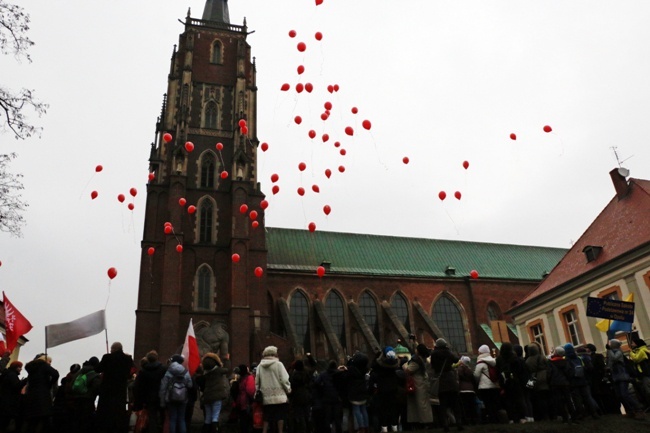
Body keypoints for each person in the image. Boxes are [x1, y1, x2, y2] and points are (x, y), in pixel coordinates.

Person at [95, 342, 136, 433]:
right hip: (120, 389)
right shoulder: (128, 359)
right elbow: (131, 373)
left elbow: (98, 369)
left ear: (114, 349)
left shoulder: (107, 357)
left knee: (106, 411)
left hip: (107, 389)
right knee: (119, 411)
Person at [256, 346, 291, 433]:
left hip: (266, 396)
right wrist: (288, 389)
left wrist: (257, 392)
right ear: (274, 354)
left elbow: (257, 381)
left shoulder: (260, 366)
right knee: (280, 416)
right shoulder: (279, 364)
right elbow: (284, 379)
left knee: (266, 417)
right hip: (279, 396)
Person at [607, 339, 645, 419]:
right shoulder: (611, 352)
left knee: (625, 394)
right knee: (619, 396)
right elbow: (610, 364)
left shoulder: (619, 352)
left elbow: (614, 358)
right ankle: (630, 410)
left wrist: (609, 351)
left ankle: (638, 408)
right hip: (616, 377)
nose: (609, 345)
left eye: (611, 344)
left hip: (622, 376)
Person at [429, 339, 462, 432]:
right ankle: (459, 423)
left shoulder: (434, 354)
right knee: (455, 404)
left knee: (442, 404)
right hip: (450, 379)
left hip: (441, 380)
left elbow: (432, 366)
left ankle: (445, 425)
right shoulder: (448, 353)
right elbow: (456, 359)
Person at [22, 354, 60, 433]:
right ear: (45, 360)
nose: (50, 363)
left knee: (32, 422)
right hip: (43, 396)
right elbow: (55, 374)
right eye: (49, 361)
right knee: (46, 421)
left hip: (31, 397)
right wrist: (49, 384)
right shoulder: (43, 365)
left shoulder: (31, 369)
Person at [196, 353, 230, 433]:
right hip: (217, 396)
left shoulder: (204, 372)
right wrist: (227, 360)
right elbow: (227, 369)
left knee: (208, 417)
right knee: (215, 417)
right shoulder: (218, 370)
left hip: (207, 397)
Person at [368, 347, 400, 433]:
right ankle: (394, 426)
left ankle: (384, 427)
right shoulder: (394, 364)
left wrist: (378, 355)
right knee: (393, 408)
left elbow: (373, 365)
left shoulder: (380, 365)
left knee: (383, 409)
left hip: (382, 389)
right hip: (393, 388)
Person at [133, 351, 166, 433]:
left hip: (149, 398)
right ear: (157, 358)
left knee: (152, 418)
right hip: (161, 396)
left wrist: (139, 401)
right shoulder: (163, 370)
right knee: (163, 417)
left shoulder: (143, 371)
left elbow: (138, 387)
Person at [564, 343, 599, 420]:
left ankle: (581, 414)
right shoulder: (579, 358)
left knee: (577, 399)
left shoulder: (566, 360)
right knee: (587, 397)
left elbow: (567, 371)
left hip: (573, 382)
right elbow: (586, 368)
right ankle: (594, 413)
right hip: (583, 380)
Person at [160, 354, 193, 433]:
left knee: (172, 419)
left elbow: (163, 387)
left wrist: (162, 402)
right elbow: (190, 385)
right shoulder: (185, 372)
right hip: (183, 398)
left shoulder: (168, 372)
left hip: (170, 398)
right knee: (181, 419)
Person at [69, 356, 102, 433]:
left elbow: (72, 384)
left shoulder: (80, 371)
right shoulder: (94, 374)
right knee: (87, 422)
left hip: (76, 400)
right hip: (88, 401)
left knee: (77, 421)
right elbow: (97, 388)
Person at [405, 343, 433, 428]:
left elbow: (408, 370)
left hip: (418, 383)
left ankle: (424, 422)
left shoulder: (416, 361)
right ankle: (425, 421)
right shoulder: (424, 359)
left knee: (420, 403)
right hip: (423, 382)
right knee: (424, 402)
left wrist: (405, 365)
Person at [548, 346, 577, 424]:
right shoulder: (566, 362)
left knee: (560, 401)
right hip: (565, 383)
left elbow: (549, 374)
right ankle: (574, 417)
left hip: (555, 383)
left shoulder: (551, 362)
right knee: (569, 400)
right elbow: (569, 372)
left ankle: (565, 418)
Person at [524, 342, 550, 421]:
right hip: (544, 378)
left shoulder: (527, 361)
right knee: (547, 397)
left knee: (539, 399)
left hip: (534, 379)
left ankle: (543, 416)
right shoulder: (542, 357)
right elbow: (548, 367)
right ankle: (550, 414)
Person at [473, 345, 500, 424]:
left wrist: (477, 383)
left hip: (484, 387)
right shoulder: (494, 360)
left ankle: (491, 419)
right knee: (495, 403)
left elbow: (476, 375)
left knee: (488, 403)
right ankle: (497, 419)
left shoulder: (480, 362)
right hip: (495, 385)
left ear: (480, 352)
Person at [0, 360, 26, 433]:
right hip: (9, 403)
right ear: (16, 367)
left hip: (4, 402)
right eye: (20, 367)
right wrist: (25, 381)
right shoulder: (12, 375)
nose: (21, 369)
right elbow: (17, 386)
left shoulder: (6, 374)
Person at [288, 360, 312, 433]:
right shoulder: (306, 374)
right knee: (307, 416)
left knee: (299, 416)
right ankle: (309, 429)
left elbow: (291, 386)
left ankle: (302, 429)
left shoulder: (293, 376)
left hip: (297, 398)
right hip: (306, 397)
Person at [456, 356, 477, 426]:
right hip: (471, 390)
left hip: (462, 390)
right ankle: (474, 420)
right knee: (472, 406)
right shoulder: (470, 370)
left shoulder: (460, 369)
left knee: (464, 407)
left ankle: (466, 421)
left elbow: (458, 378)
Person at [628, 337, 650, 406]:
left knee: (648, 390)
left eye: (633, 343)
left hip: (645, 372)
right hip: (645, 372)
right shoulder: (641, 350)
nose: (631, 344)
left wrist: (631, 352)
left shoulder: (642, 350)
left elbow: (636, 359)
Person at [236, 365, 256, 433]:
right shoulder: (249, 378)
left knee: (243, 422)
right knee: (248, 422)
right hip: (247, 403)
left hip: (241, 403)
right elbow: (250, 390)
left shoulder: (240, 379)